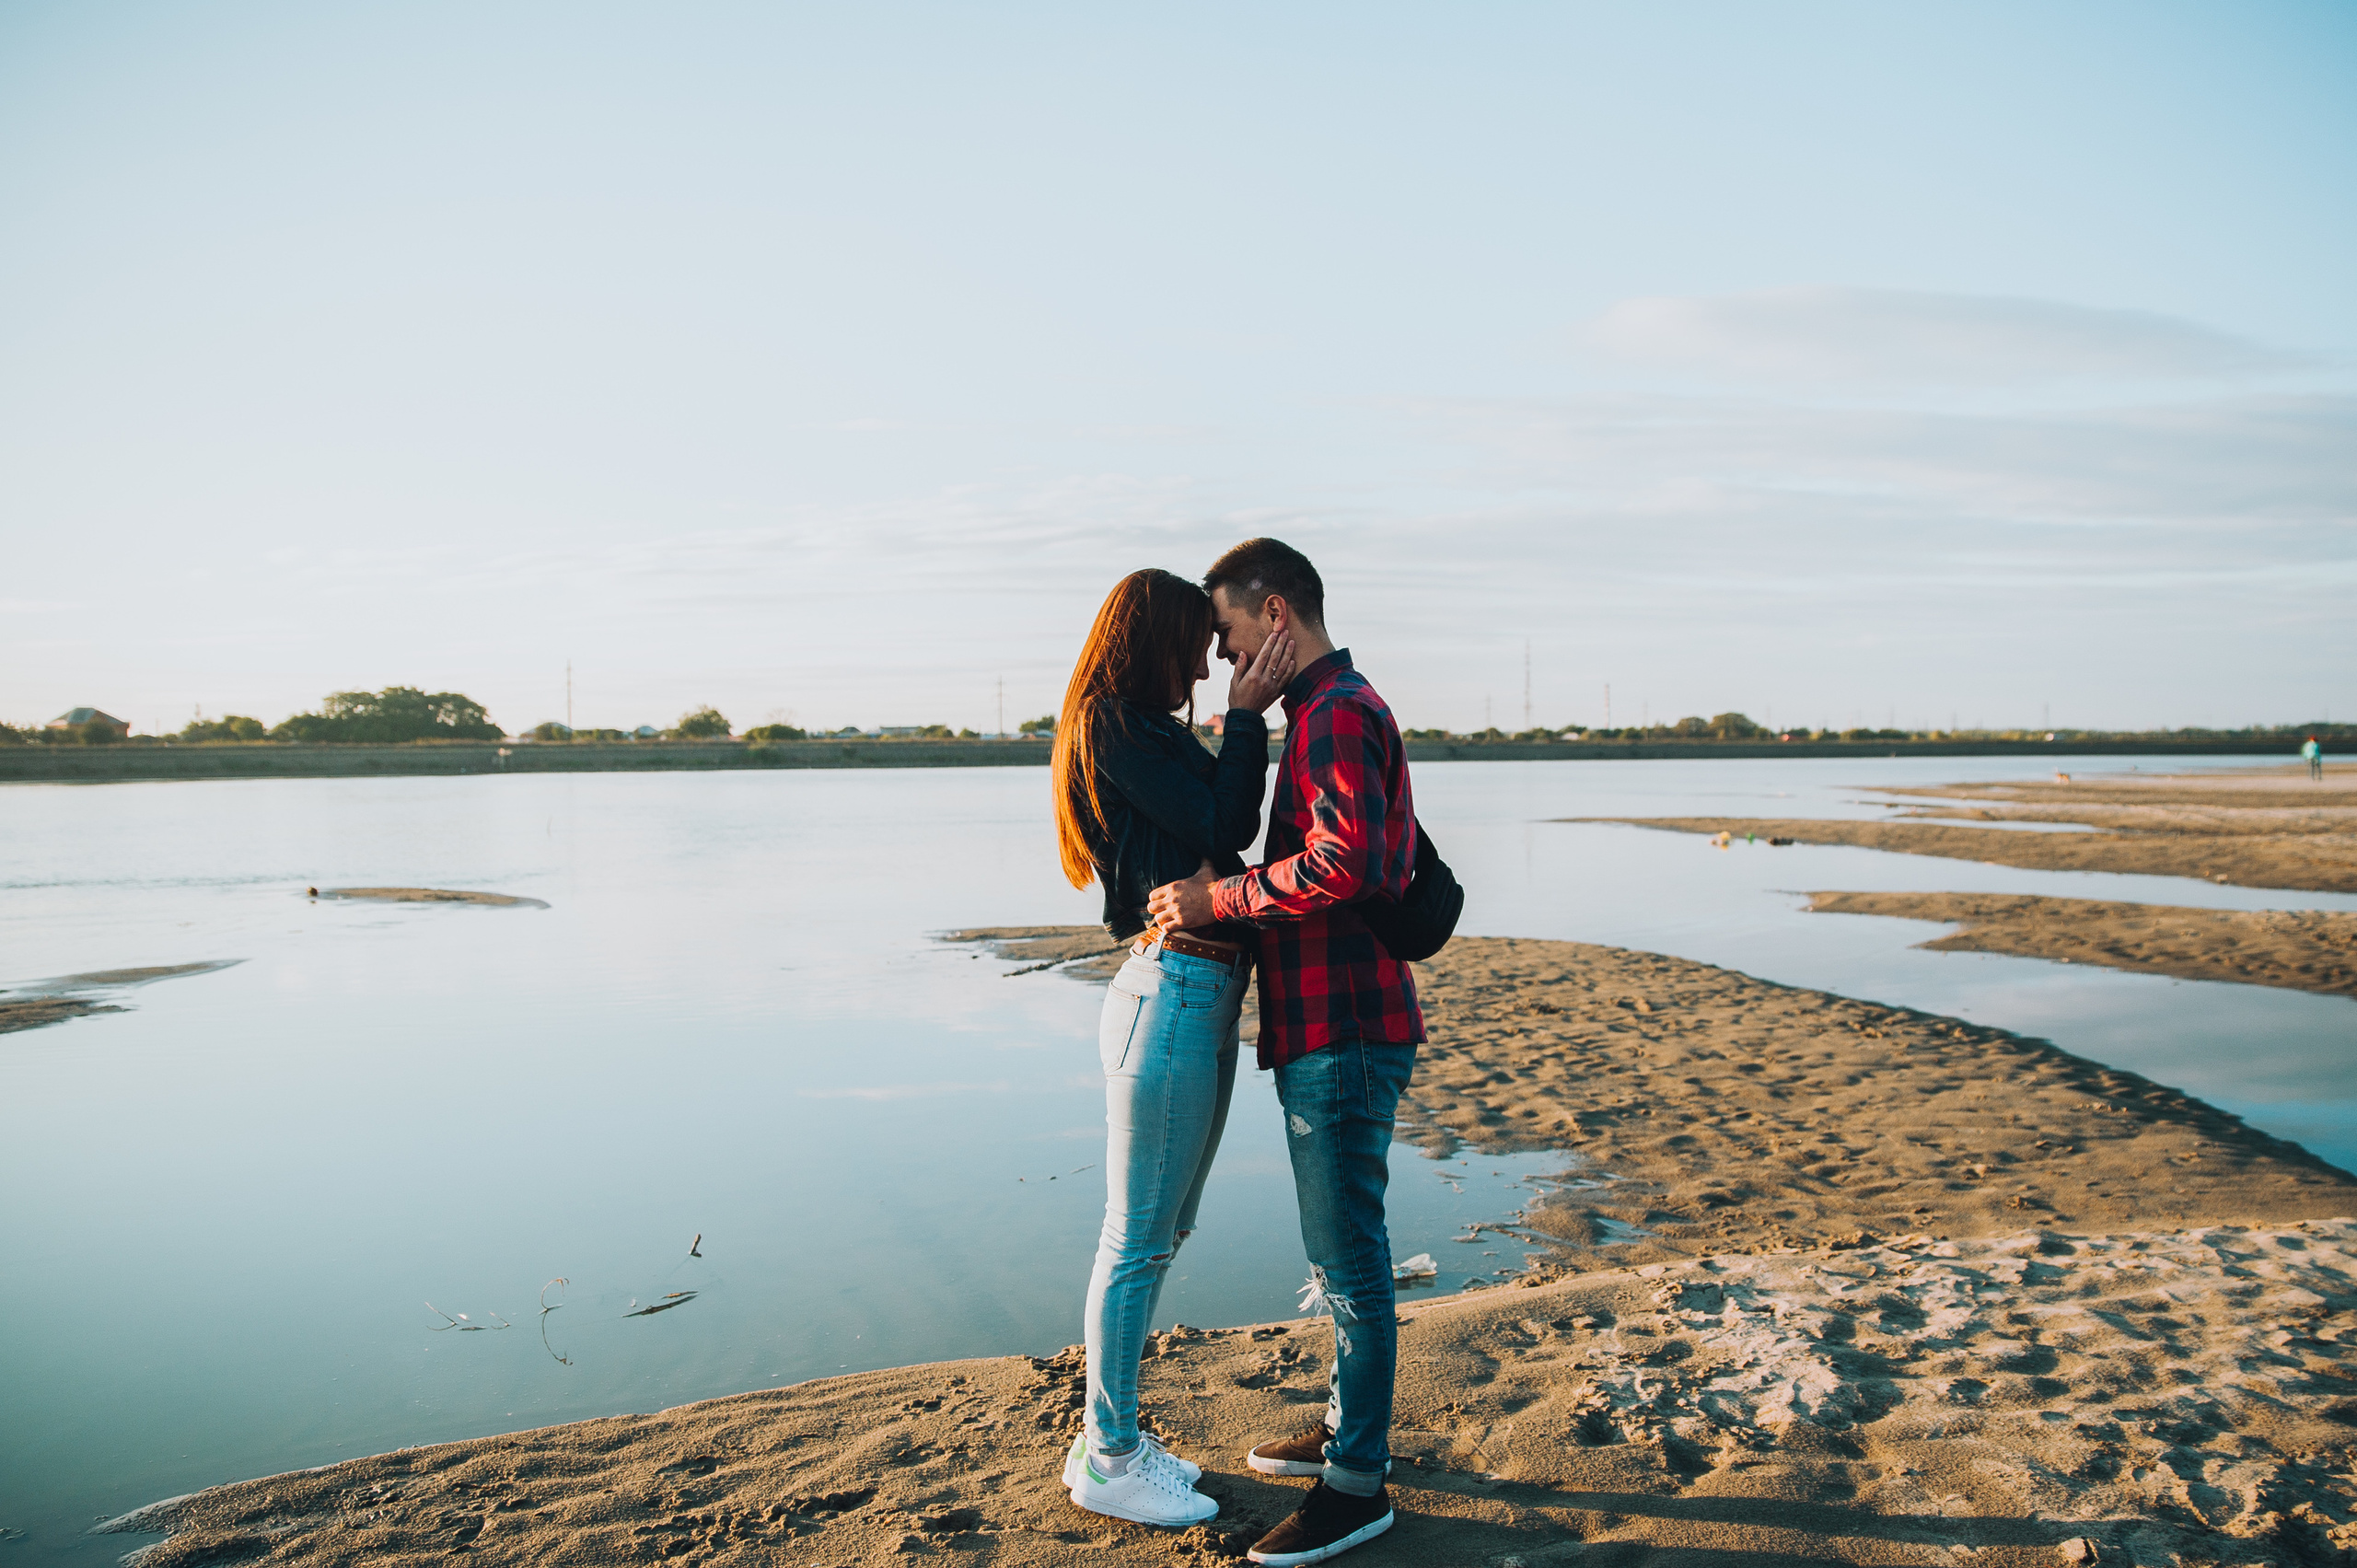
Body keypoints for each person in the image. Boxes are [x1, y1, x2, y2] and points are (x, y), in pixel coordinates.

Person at [1147, 538, 1422, 1567]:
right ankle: (1350, 1430)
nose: (1218, 659)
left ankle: (1357, 1483)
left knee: (1349, 1255)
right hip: (1332, 1018)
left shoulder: (1341, 711)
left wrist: (1219, 897)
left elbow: (1346, 861)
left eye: (1223, 634)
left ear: (1273, 615)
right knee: (1338, 1248)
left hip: (1346, 1024)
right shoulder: (1321, 711)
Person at [1050, 567, 1297, 1527]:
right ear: (1158, 635)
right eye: (1198, 640)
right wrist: (1244, 713)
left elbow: (1224, 830)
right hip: (1172, 990)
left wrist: (1236, 724)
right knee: (1134, 1237)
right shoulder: (1113, 721)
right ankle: (1108, 1456)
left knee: (1163, 1232)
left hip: (1201, 993)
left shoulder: (1145, 727)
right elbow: (1224, 823)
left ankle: (1109, 1437)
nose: (1208, 658)